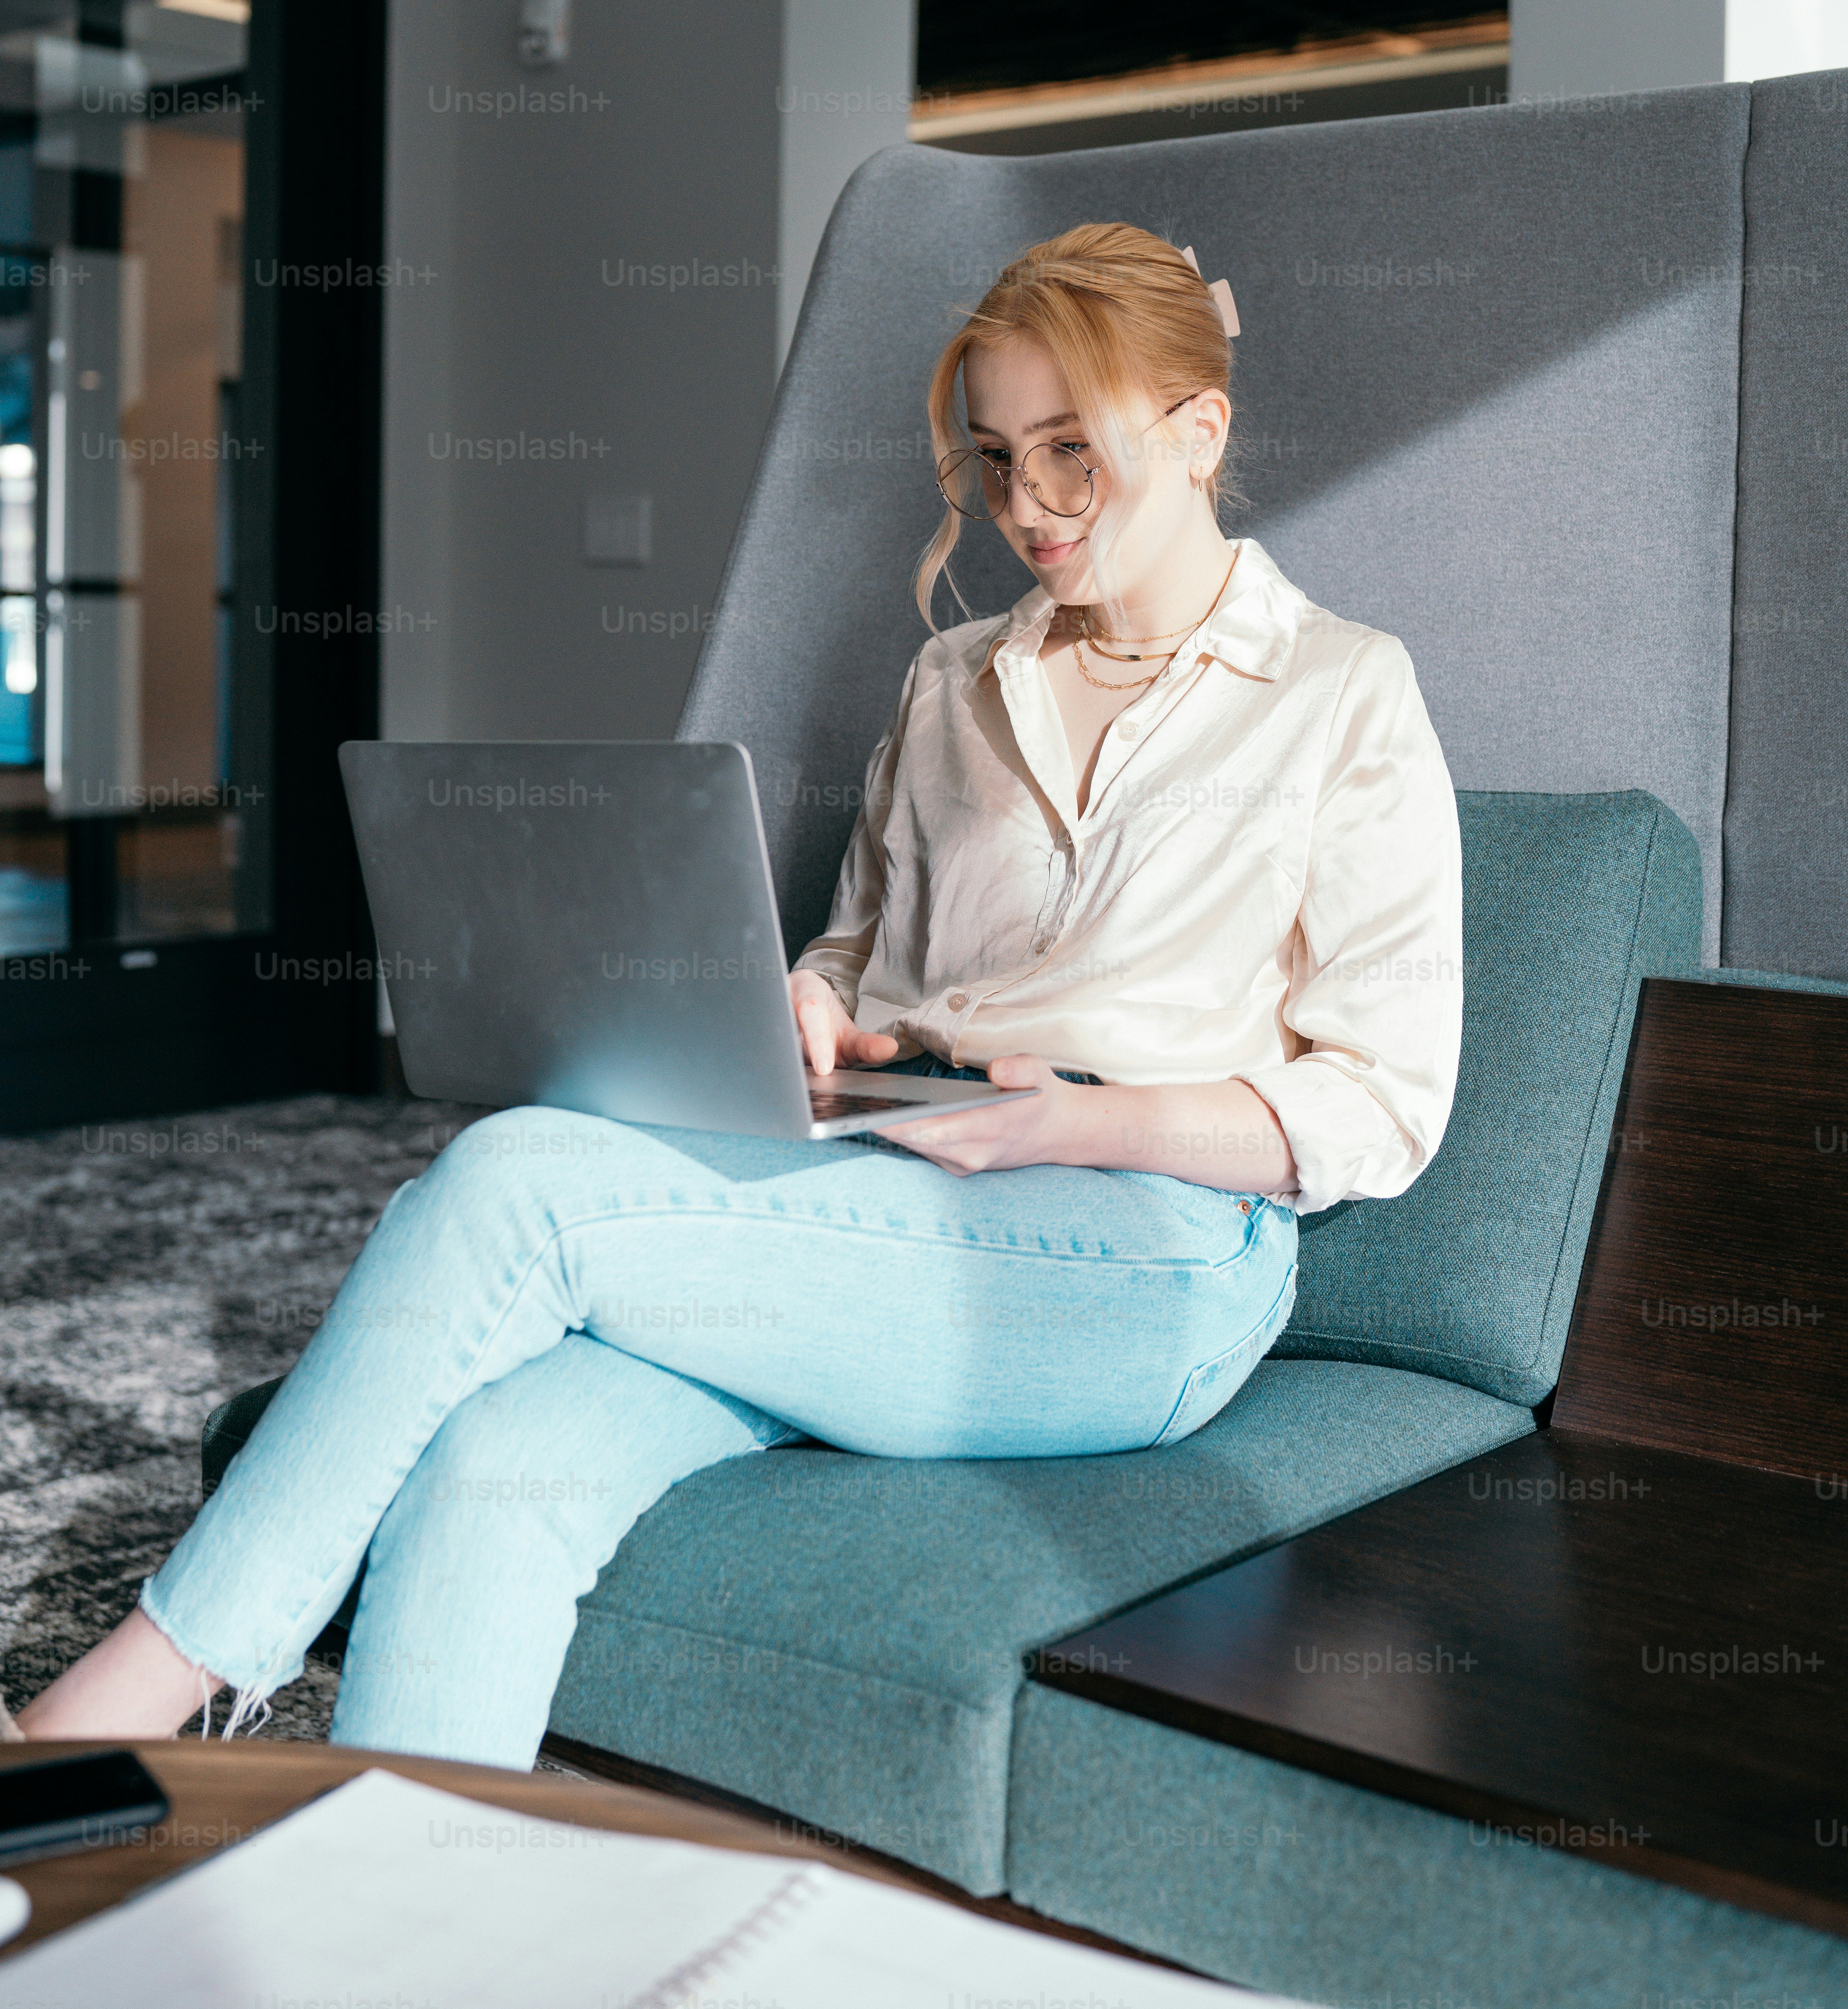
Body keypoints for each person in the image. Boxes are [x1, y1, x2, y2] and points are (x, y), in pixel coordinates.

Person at [12, 223, 1461, 1768]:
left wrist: (1079, 1128)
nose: (1025, 509)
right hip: (886, 1182)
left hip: (1149, 1251)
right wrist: (814, 1002)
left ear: (1201, 429)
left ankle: (92, 1721)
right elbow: (865, 950)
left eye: (1069, 457)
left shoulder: (1342, 689)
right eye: (991, 461)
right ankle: (409, 1914)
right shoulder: (955, 680)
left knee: (520, 1181)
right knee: (496, 1461)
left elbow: (1386, 1103)